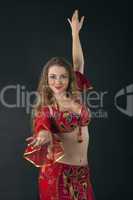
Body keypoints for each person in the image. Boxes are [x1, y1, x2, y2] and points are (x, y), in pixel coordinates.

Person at [24, 10, 95, 200]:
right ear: (47, 80)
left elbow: (78, 63)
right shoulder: (46, 109)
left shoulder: (76, 94)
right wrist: (43, 138)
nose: (58, 81)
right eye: (53, 77)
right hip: (59, 176)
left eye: (63, 76)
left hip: (83, 174)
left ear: (69, 78)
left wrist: (75, 34)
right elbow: (43, 130)